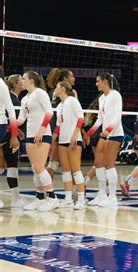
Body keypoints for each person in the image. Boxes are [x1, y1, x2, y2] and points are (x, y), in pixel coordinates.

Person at [18, 71, 58, 211]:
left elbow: (49, 112)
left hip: (42, 134)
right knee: (35, 168)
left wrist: (41, 130)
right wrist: (9, 125)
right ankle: (40, 198)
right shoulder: (24, 99)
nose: (21, 81)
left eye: (23, 78)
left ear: (31, 80)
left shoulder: (40, 93)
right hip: (30, 135)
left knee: (40, 167)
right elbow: (21, 119)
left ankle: (52, 198)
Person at [85, 73, 124, 207]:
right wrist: (89, 132)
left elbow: (118, 116)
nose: (96, 84)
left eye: (98, 81)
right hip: (105, 134)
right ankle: (101, 194)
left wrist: (108, 129)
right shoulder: (102, 98)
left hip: (115, 134)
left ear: (105, 82)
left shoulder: (116, 95)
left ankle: (112, 197)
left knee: (109, 164)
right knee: (99, 163)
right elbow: (100, 119)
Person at [53, 81, 86, 209]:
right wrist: (52, 140)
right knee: (65, 171)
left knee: (76, 170)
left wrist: (75, 135)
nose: (54, 89)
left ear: (62, 89)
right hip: (62, 140)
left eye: (56, 87)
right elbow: (58, 126)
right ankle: (68, 200)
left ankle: (81, 199)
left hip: (74, 140)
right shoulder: (59, 106)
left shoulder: (72, 100)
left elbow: (81, 118)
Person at [2, 75, 26, 208]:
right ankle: (15, 199)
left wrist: (16, 131)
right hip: (8, 135)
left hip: (8, 132)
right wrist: (14, 135)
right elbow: (8, 118)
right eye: (21, 79)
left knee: (9, 165)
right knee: (11, 165)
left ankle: (15, 199)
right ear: (16, 84)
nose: (23, 81)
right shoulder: (14, 100)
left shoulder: (14, 98)